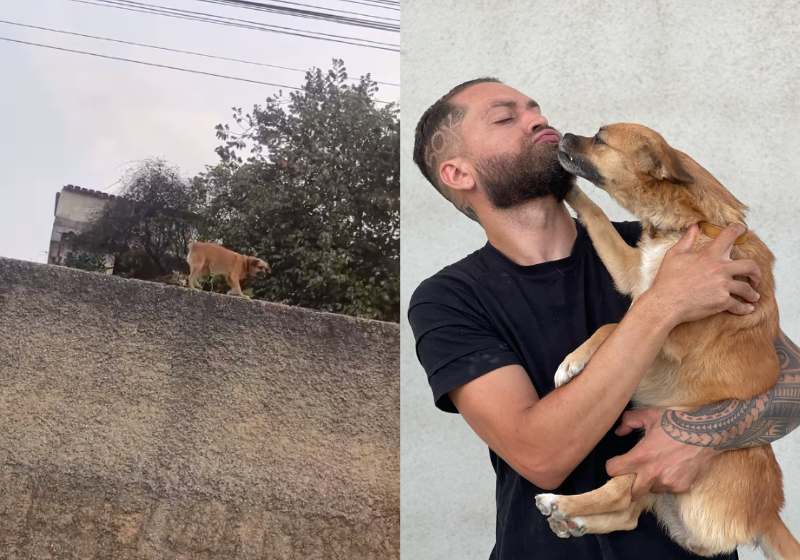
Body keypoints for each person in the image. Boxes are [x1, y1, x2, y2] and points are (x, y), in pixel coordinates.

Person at [408, 77, 800, 560]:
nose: (538, 120)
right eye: (507, 118)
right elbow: (541, 456)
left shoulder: (670, 241)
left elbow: (789, 383)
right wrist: (663, 303)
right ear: (458, 174)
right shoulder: (449, 299)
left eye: (536, 110)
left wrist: (703, 436)